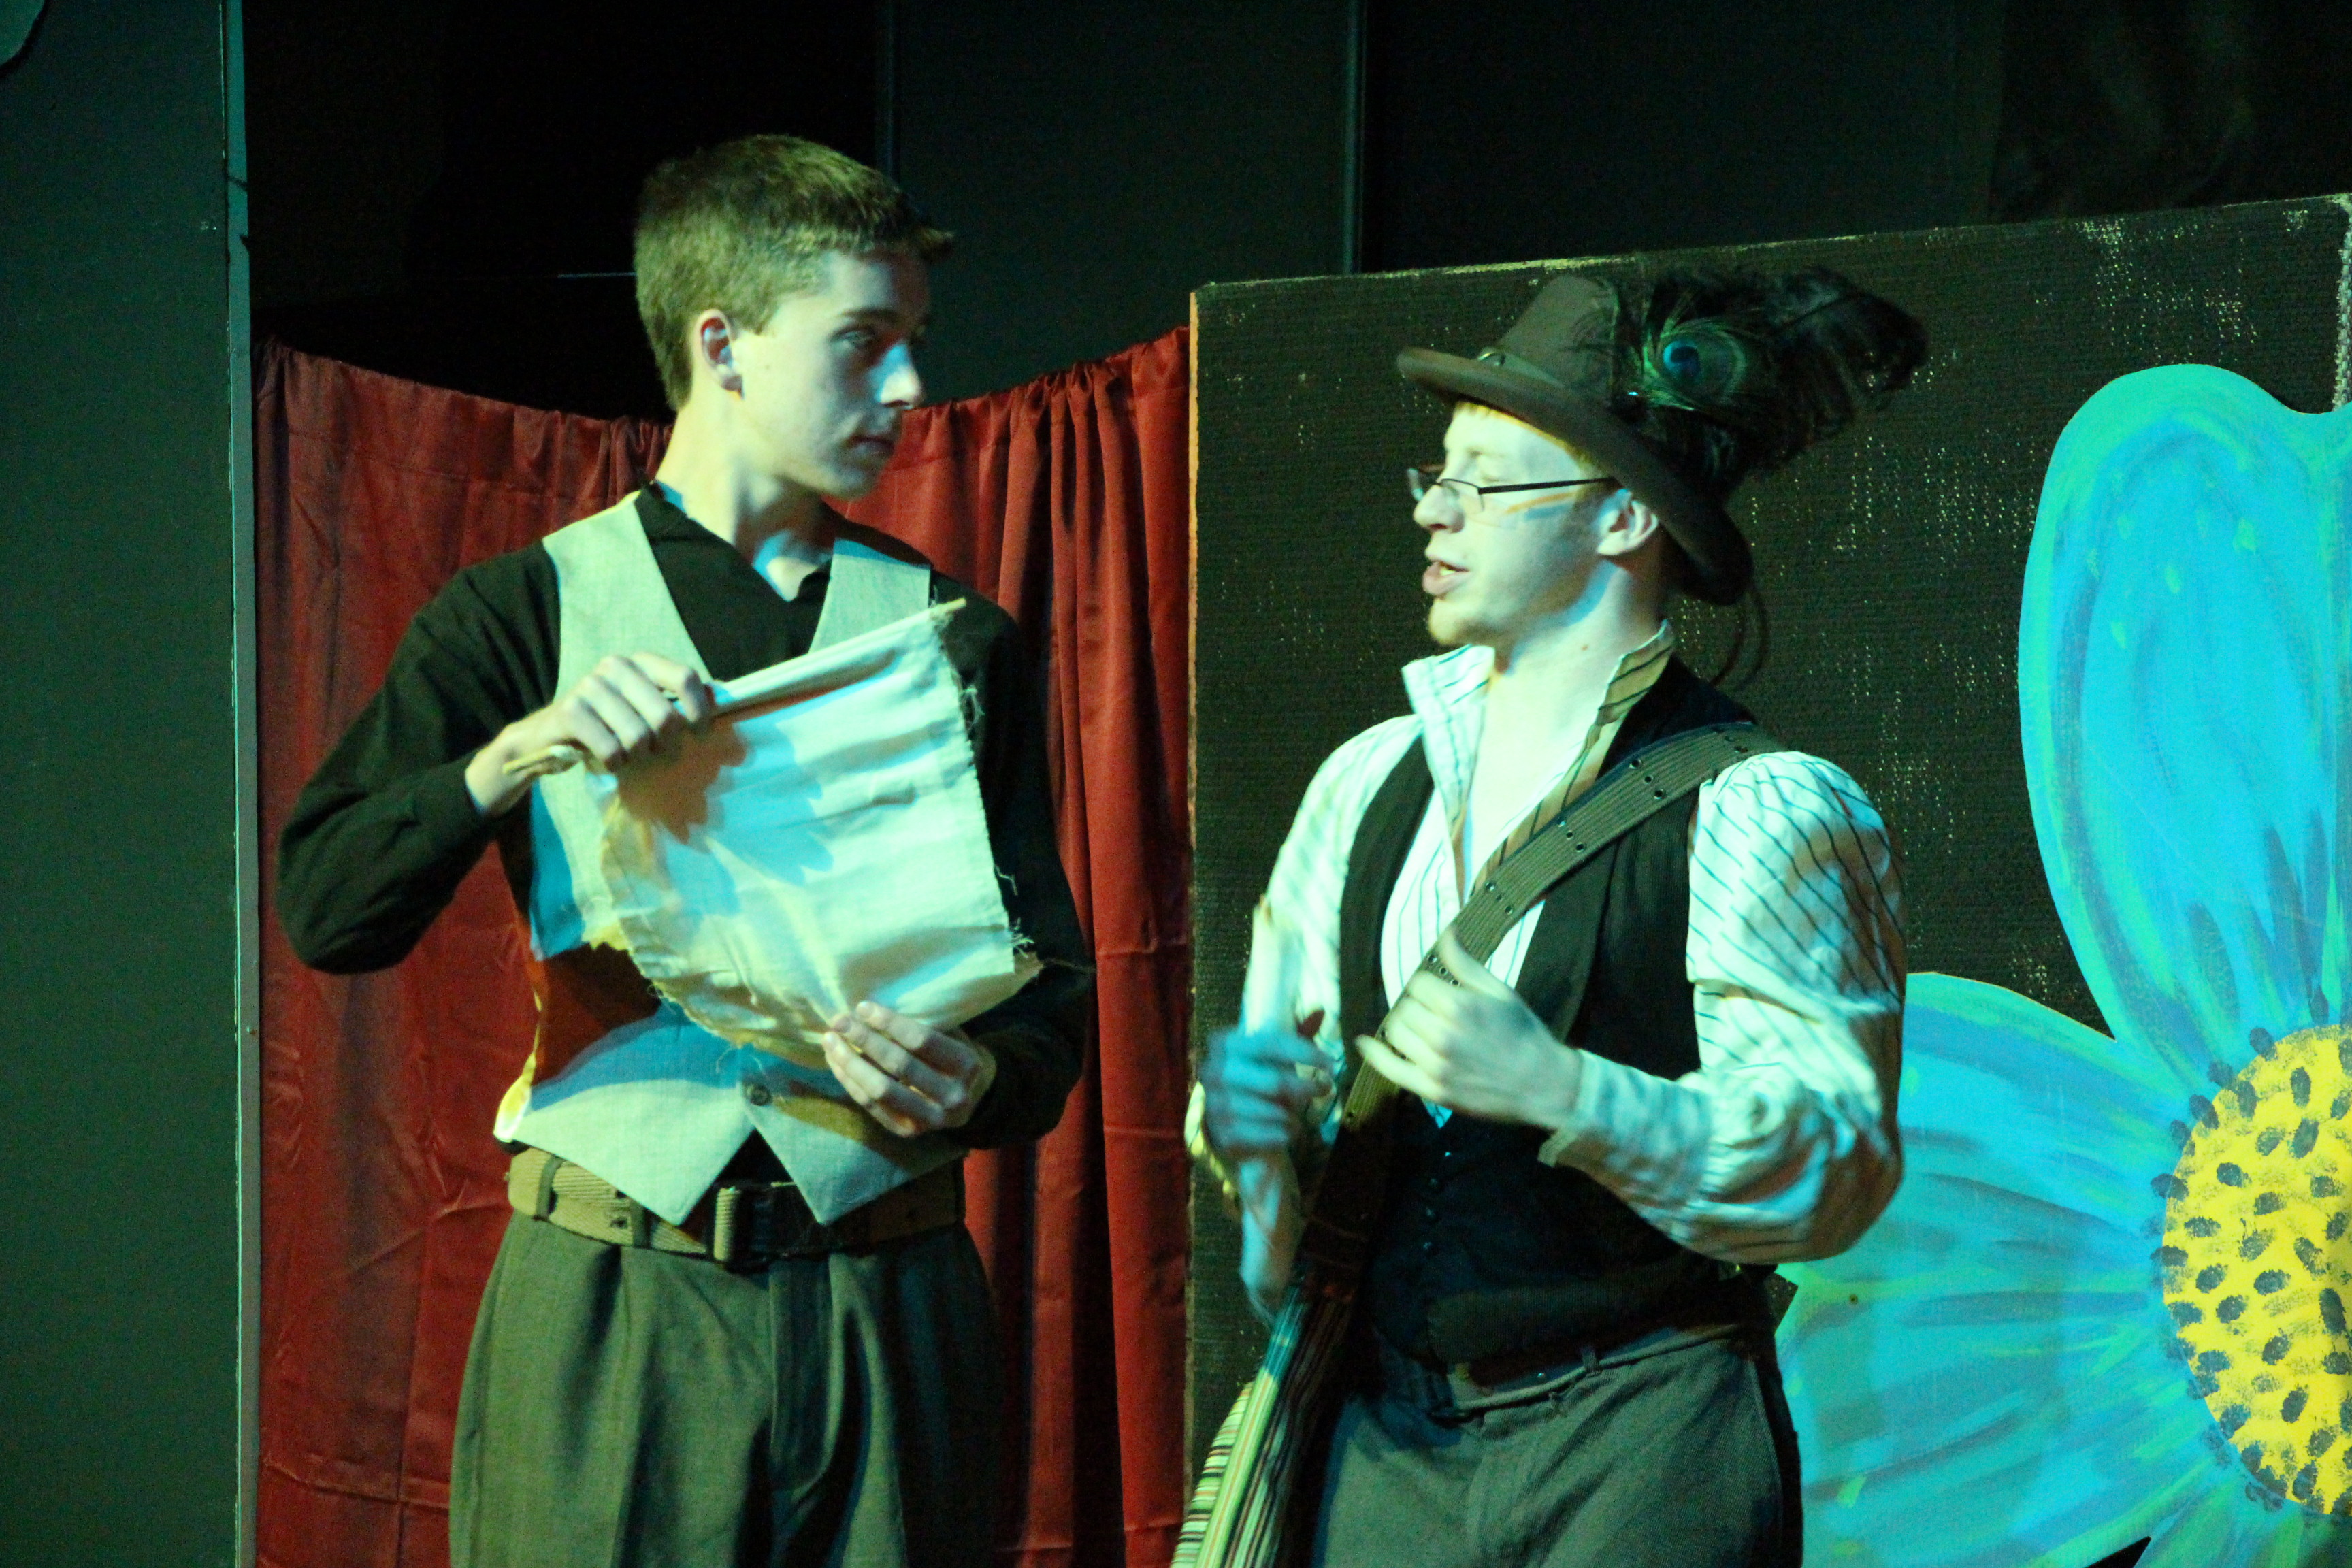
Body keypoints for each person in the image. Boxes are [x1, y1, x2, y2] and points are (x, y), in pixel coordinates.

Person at [278, 135, 1092, 1568]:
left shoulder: (953, 641)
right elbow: (331, 907)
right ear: (722, 344)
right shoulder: (524, 613)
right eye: (863, 343)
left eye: (913, 342)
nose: (908, 387)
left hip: (885, 1296)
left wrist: (984, 1077)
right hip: (618, 1305)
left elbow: (1049, 993)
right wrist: (513, 754)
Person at [1192, 267, 1925, 1567]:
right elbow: (1285, 1209)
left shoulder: (1761, 807)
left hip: (1639, 1437)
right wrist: (1262, 1132)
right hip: (1387, 1439)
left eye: (1482, 484)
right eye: (1436, 476)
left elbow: (1834, 1170)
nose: (1433, 510)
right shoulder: (1365, 784)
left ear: (1623, 515)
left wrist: (1566, 1091)